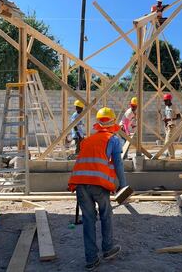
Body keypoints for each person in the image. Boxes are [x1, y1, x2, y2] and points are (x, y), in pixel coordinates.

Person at [68, 107, 127, 270]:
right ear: (113, 121)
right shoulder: (113, 139)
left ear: (98, 122)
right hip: (98, 184)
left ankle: (91, 260)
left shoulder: (87, 140)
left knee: (88, 220)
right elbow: (118, 163)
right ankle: (107, 249)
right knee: (106, 215)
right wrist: (124, 185)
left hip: (80, 183)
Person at [162, 93, 180, 159]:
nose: (164, 102)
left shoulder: (174, 107)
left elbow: (179, 117)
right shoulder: (166, 107)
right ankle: (172, 156)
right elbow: (166, 115)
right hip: (167, 126)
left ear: (169, 100)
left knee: (167, 142)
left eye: (166, 101)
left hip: (172, 125)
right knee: (170, 142)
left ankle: (170, 155)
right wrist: (165, 120)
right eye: (164, 101)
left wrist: (169, 119)